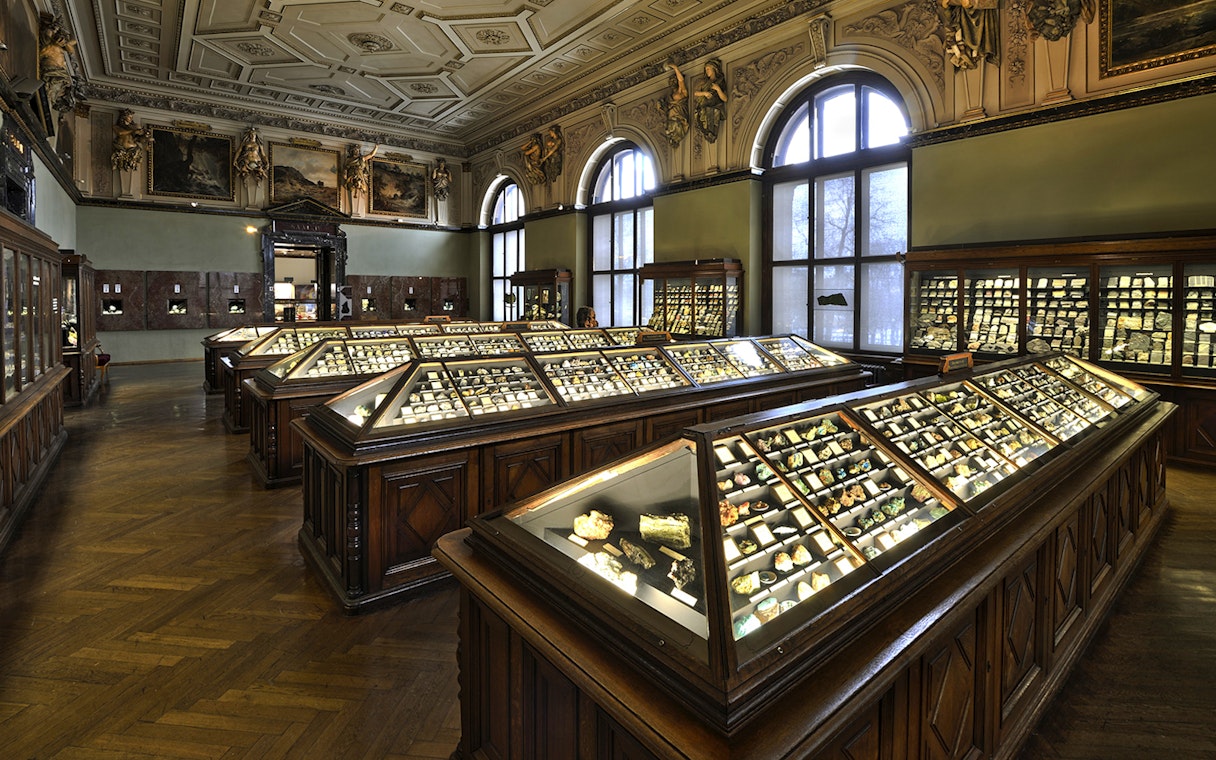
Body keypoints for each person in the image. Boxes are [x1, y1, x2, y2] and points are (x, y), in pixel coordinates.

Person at [693, 58, 727, 143]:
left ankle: (711, 133)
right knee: (703, 115)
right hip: (704, 105)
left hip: (715, 106)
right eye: (706, 69)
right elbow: (696, 93)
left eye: (708, 69)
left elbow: (725, 98)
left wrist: (718, 89)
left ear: (714, 69)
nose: (707, 71)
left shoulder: (720, 81)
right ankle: (708, 132)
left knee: (710, 114)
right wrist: (704, 93)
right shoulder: (705, 82)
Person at [662, 62, 689, 147]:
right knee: (669, 129)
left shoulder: (681, 91)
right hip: (671, 116)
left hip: (678, 116)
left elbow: (681, 80)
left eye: (674, 81)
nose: (672, 83)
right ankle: (672, 136)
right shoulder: (670, 96)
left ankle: (673, 135)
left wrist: (675, 68)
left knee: (673, 127)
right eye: (671, 82)